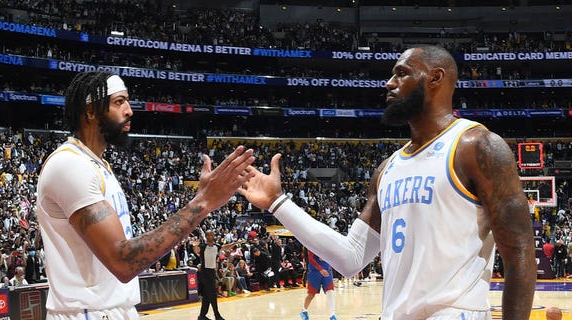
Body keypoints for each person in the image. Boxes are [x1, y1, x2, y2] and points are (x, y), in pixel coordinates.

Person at [239, 45, 537, 319]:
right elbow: (351, 257)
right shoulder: (387, 168)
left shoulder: (477, 146)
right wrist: (278, 203)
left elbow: (521, 252)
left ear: (436, 78)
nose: (389, 83)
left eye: (402, 73)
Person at [36, 71, 255, 320]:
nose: (129, 110)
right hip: (87, 312)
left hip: (113, 308)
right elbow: (122, 260)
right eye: (119, 102)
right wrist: (203, 202)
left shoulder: (98, 165)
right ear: (90, 112)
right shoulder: (69, 164)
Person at [193, 230, 240, 320]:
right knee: (212, 294)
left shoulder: (216, 246)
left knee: (207, 295)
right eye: (208, 235)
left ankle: (202, 316)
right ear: (206, 236)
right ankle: (217, 315)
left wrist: (235, 242)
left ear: (213, 236)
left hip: (211, 272)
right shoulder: (203, 246)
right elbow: (196, 250)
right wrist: (195, 244)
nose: (210, 236)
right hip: (204, 272)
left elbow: (226, 247)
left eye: (212, 234)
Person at [300, 249, 337, 320]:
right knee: (311, 294)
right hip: (314, 271)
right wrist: (320, 269)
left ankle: (332, 315)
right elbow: (310, 259)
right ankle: (304, 311)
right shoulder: (312, 244)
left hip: (326, 270)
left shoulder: (328, 244)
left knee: (330, 291)